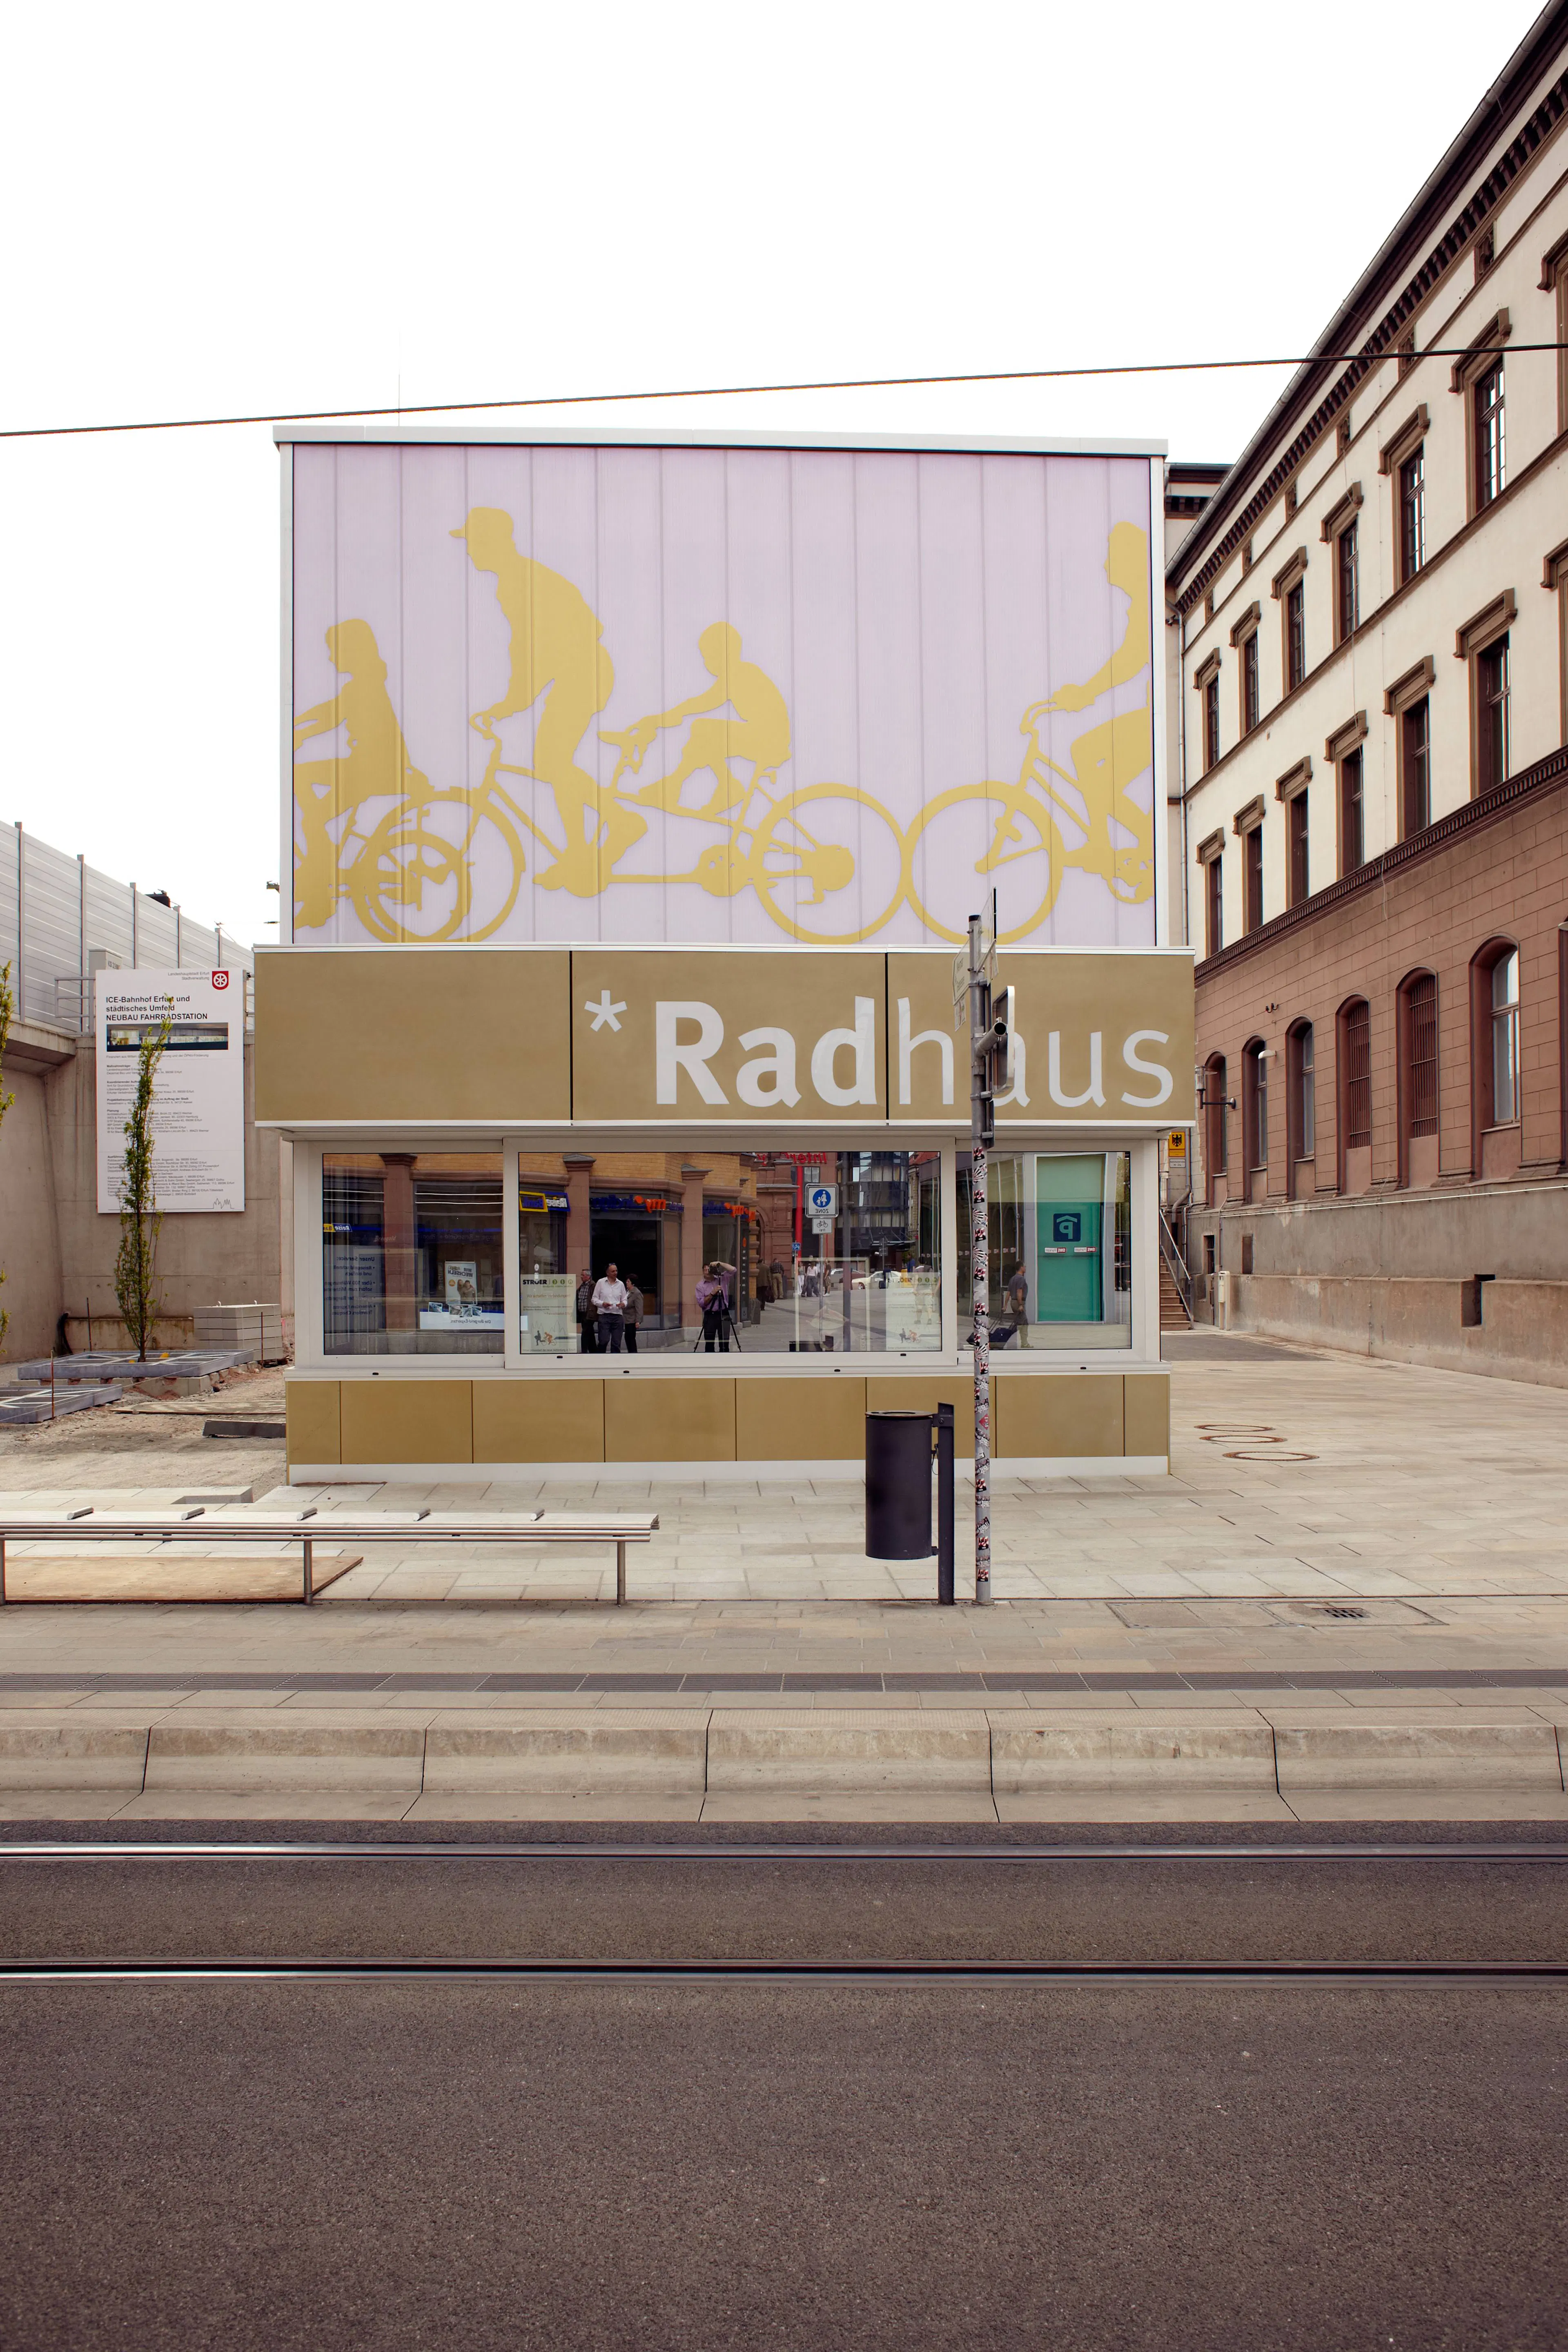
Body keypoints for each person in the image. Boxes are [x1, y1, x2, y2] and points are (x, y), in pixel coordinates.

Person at [451, 506, 646, 895]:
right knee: (552, 764)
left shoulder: (521, 582)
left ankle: (613, 829)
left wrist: (511, 703)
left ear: (491, 542)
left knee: (551, 762)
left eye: (473, 542)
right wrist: (514, 701)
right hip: (579, 671)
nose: (469, 550)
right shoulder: (517, 579)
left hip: (584, 671)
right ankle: (587, 849)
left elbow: (533, 650)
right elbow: (530, 652)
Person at [292, 619, 431, 931]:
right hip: (369, 765)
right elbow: (330, 711)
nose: (331, 658)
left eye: (335, 651)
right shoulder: (367, 682)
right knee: (305, 788)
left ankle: (319, 891)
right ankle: (322, 865)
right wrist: (297, 726)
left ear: (353, 651)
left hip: (372, 769)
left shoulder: (365, 685)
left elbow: (330, 717)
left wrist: (298, 731)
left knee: (311, 816)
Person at [612, 622, 791, 820]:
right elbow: (701, 703)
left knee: (703, 730)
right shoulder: (742, 673)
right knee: (705, 738)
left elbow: (702, 703)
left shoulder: (740, 674)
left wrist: (660, 720)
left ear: (724, 654)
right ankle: (688, 785)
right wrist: (664, 719)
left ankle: (692, 786)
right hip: (768, 736)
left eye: (708, 657)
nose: (706, 663)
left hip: (768, 739)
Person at [592, 1262, 628, 1354]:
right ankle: (601, 1358)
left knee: (616, 1344)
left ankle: (615, 1361)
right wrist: (602, 1304)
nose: (615, 1273)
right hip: (605, 1316)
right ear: (607, 1273)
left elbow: (625, 1300)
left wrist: (623, 1304)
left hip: (618, 1316)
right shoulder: (601, 1283)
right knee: (604, 1341)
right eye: (613, 1271)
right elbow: (594, 1299)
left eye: (616, 1271)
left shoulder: (621, 1284)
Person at [695, 1262, 729, 1353]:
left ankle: (725, 1360)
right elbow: (701, 1303)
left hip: (723, 1313)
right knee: (709, 1344)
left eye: (709, 1269)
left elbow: (734, 1270)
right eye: (705, 1270)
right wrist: (712, 1294)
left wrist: (720, 1263)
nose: (707, 1271)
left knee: (725, 1344)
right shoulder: (700, 1286)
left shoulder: (721, 1279)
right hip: (710, 1315)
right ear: (703, 1272)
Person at [575, 1268, 597, 1354]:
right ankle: (594, 1351)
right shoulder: (582, 1286)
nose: (581, 1277)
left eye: (583, 1275)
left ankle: (584, 1351)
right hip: (582, 1314)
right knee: (590, 1332)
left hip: (590, 1313)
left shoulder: (593, 1286)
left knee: (585, 1332)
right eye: (581, 1275)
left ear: (588, 1276)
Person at [623, 1276, 644, 1354]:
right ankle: (631, 1353)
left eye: (628, 1281)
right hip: (627, 1319)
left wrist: (638, 1321)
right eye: (627, 1281)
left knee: (631, 1338)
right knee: (627, 1337)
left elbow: (639, 1308)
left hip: (632, 1319)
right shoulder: (627, 1292)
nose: (627, 1283)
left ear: (633, 1283)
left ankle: (634, 1354)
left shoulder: (637, 1293)